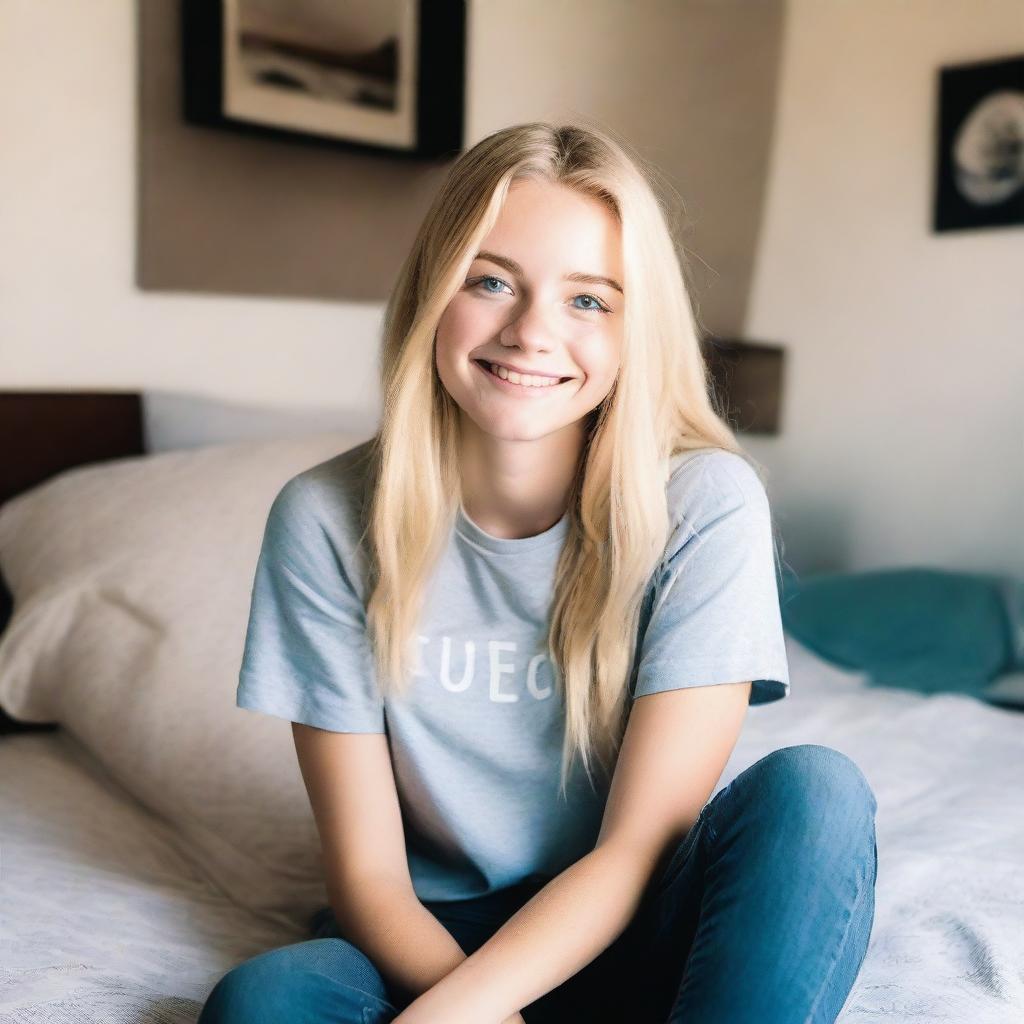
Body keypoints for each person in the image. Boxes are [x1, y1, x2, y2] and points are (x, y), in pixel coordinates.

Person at [198, 120, 877, 1024]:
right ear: (431, 295)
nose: (530, 334)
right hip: (437, 942)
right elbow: (368, 880)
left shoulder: (706, 504)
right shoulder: (324, 518)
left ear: (637, 330)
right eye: (490, 282)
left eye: (589, 301)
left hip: (642, 922)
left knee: (817, 795)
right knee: (265, 998)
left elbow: (636, 851)